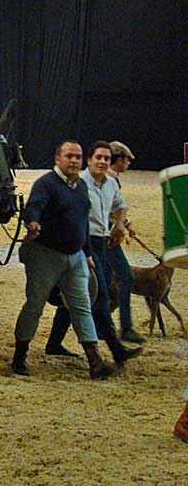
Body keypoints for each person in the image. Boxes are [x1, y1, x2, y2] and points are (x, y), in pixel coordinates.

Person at [12, 140, 117, 380]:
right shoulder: (46, 184)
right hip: (45, 254)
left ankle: (95, 361)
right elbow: (34, 207)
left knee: (82, 307)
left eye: (78, 157)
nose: (74, 161)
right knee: (35, 306)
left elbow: (83, 223)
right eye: (69, 156)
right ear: (57, 159)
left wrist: (87, 253)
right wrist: (33, 222)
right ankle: (19, 355)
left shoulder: (81, 187)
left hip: (76, 257)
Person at [44, 141, 143, 367]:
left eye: (106, 158)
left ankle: (54, 342)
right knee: (100, 295)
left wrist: (120, 224)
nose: (102, 162)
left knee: (78, 294)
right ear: (89, 160)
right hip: (83, 244)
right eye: (98, 157)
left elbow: (120, 205)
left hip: (104, 243)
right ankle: (116, 348)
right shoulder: (79, 184)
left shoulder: (111, 183)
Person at [106, 141, 145, 343]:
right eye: (127, 160)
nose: (129, 164)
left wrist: (126, 223)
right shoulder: (109, 179)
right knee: (126, 277)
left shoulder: (109, 179)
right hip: (107, 235)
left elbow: (113, 207)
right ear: (119, 159)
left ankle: (104, 323)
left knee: (106, 281)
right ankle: (126, 326)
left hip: (107, 231)